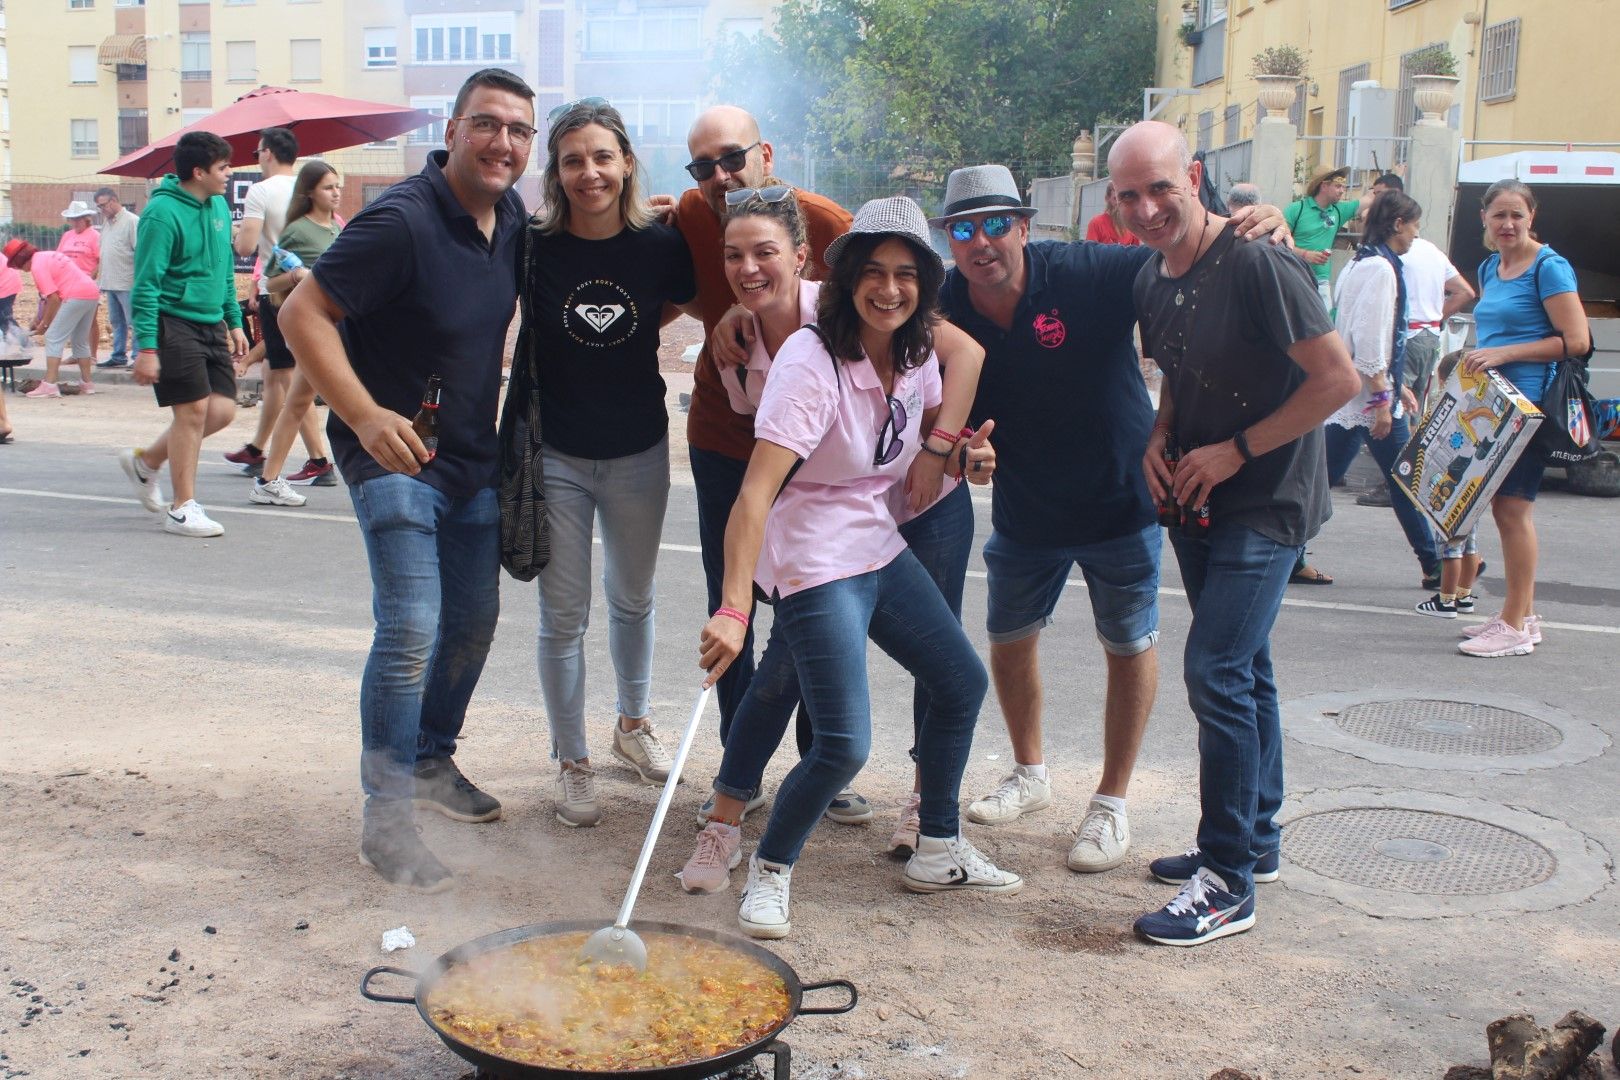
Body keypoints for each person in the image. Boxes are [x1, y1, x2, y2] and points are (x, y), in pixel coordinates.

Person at [935, 164, 1285, 873]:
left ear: (1025, 226)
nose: (982, 242)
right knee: (1007, 638)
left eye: (997, 223)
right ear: (949, 240)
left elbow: (1185, 254)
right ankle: (1029, 773)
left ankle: (1111, 804)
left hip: (1121, 496)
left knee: (1128, 643)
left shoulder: (1089, 271)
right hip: (1026, 505)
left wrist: (1257, 229)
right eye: (964, 229)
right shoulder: (943, 299)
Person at [693, 196, 1018, 939]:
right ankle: (770, 872)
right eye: (873, 272)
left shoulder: (911, 349)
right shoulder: (810, 361)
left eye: (907, 274)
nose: (890, 288)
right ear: (842, 278)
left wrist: (966, 452)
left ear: (925, 286)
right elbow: (754, 494)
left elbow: (913, 437)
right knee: (842, 743)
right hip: (813, 553)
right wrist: (735, 606)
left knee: (960, 680)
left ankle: (937, 845)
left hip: (875, 537)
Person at [279, 68, 536, 889]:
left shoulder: (512, 218)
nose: (504, 143)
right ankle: (384, 824)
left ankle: (430, 763)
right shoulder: (401, 221)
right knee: (411, 629)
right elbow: (300, 314)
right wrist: (359, 415)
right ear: (453, 129)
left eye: (520, 131)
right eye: (488, 125)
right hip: (390, 457)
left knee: (474, 622)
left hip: (468, 456)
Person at [1111, 120, 1358, 946]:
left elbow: (1337, 381)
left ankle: (1226, 880)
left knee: (1215, 668)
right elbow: (1177, 375)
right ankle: (1255, 839)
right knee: (1245, 667)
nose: (1147, 208)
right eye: (1129, 195)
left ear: (1197, 175)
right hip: (1196, 490)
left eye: (1160, 188)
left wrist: (1238, 449)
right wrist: (1159, 433)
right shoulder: (1152, 278)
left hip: (1269, 495)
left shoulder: (1259, 260)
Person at [674, 107, 874, 822]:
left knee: (814, 598)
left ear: (765, 152)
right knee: (731, 603)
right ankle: (740, 766)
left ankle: (823, 762)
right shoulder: (690, 217)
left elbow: (889, 305)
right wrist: (719, 315)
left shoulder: (828, 223)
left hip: (809, 447)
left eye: (731, 160)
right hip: (723, 435)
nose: (719, 178)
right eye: (702, 168)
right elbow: (646, 294)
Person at [511, 98, 697, 827]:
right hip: (555, 452)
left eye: (602, 156)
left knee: (634, 599)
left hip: (640, 450)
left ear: (625, 161)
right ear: (556, 173)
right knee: (563, 616)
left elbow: (677, 303)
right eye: (572, 160)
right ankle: (572, 759)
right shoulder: (531, 244)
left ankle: (632, 726)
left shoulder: (659, 245)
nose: (589, 172)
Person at [1456, 179, 1589, 658]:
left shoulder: (1549, 268)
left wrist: (1506, 352)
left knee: (1512, 510)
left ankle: (1513, 626)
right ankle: (1522, 615)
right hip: (1495, 406)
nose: (1508, 224)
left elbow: (1576, 340)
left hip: (1530, 408)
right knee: (1504, 509)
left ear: (1532, 217)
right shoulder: (1492, 266)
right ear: (1484, 219)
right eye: (1499, 215)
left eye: (1517, 215)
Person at [114, 132, 250, 535]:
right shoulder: (162, 214)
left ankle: (146, 462)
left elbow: (223, 270)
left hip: (210, 322)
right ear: (198, 171)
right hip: (172, 321)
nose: (229, 174)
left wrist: (235, 320)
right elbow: (146, 284)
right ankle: (182, 507)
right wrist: (147, 347)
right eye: (223, 168)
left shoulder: (218, 209)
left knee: (221, 411)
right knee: (191, 412)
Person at [1322, 192, 1442, 585]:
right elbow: (1370, 339)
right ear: (1397, 224)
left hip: (1357, 393)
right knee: (1404, 480)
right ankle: (1434, 565)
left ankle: (1285, 552)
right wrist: (1381, 399)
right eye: (1414, 226)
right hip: (1364, 395)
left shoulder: (1362, 261)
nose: (1415, 235)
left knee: (1323, 481)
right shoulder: (1380, 269)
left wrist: (1393, 386)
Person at [225, 127, 326, 483]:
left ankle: (318, 458)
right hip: (314, 288)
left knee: (287, 377)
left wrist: (238, 230)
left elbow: (245, 247)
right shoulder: (311, 186)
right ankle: (256, 449)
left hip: (278, 293)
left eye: (257, 152)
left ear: (267, 152)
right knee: (273, 375)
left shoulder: (261, 191)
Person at [249, 160, 345, 507]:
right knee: (300, 401)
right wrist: (297, 276)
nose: (335, 193)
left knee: (298, 402)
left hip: (332, 325)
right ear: (309, 192)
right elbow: (270, 282)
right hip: (309, 327)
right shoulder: (297, 230)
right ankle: (268, 478)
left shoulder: (335, 227)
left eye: (338, 187)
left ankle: (268, 478)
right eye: (327, 187)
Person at [6, 238, 102, 399]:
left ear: (20, 260)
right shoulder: (47, 255)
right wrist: (40, 319)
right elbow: (48, 299)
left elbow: (54, 298)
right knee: (80, 340)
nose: (22, 270)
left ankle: (49, 385)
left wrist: (45, 324)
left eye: (18, 266)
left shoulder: (37, 267)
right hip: (91, 292)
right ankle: (87, 383)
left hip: (75, 295)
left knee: (53, 337)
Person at [1286, 165, 1368, 310]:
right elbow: (1278, 243)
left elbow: (1371, 199)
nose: (1342, 191)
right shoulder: (1296, 209)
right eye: (1338, 186)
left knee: (1325, 328)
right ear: (1324, 186)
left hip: (1322, 283)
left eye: (1343, 187)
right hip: (1294, 278)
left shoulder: (1338, 210)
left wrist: (1397, 177)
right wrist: (1305, 254)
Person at [94, 188, 140, 370]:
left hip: (128, 281)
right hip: (110, 281)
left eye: (103, 205)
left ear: (114, 201)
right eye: (99, 206)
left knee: (134, 321)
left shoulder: (131, 221)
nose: (101, 209)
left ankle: (138, 356)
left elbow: (139, 251)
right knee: (116, 321)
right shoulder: (107, 223)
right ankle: (118, 354)